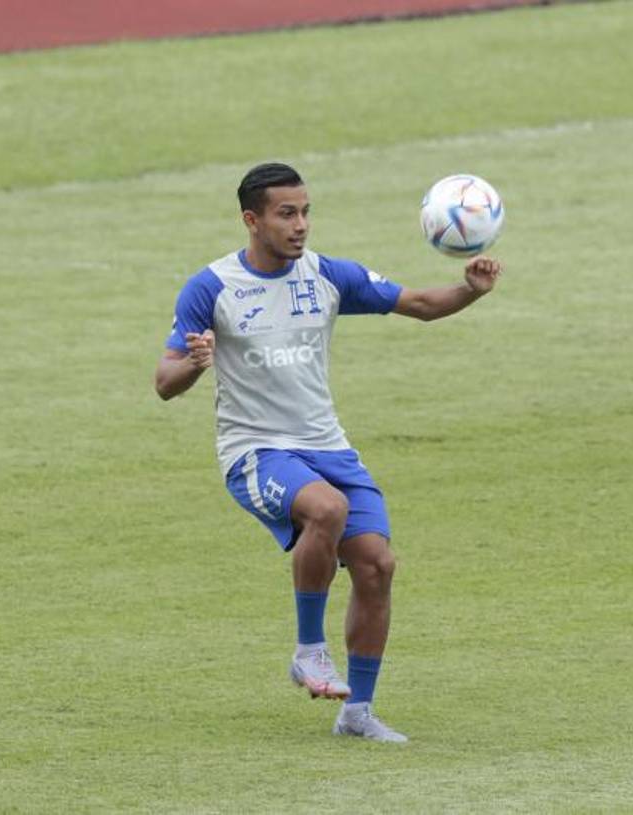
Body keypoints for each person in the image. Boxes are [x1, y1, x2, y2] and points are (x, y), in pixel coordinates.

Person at [155, 162, 501, 743]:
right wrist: (194, 362)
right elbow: (164, 382)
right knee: (326, 509)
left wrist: (469, 289)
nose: (301, 225)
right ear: (252, 220)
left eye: (306, 212)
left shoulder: (326, 276)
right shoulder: (211, 288)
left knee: (376, 564)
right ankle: (309, 650)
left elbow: (419, 303)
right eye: (286, 214)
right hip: (256, 451)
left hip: (327, 447)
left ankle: (357, 713)